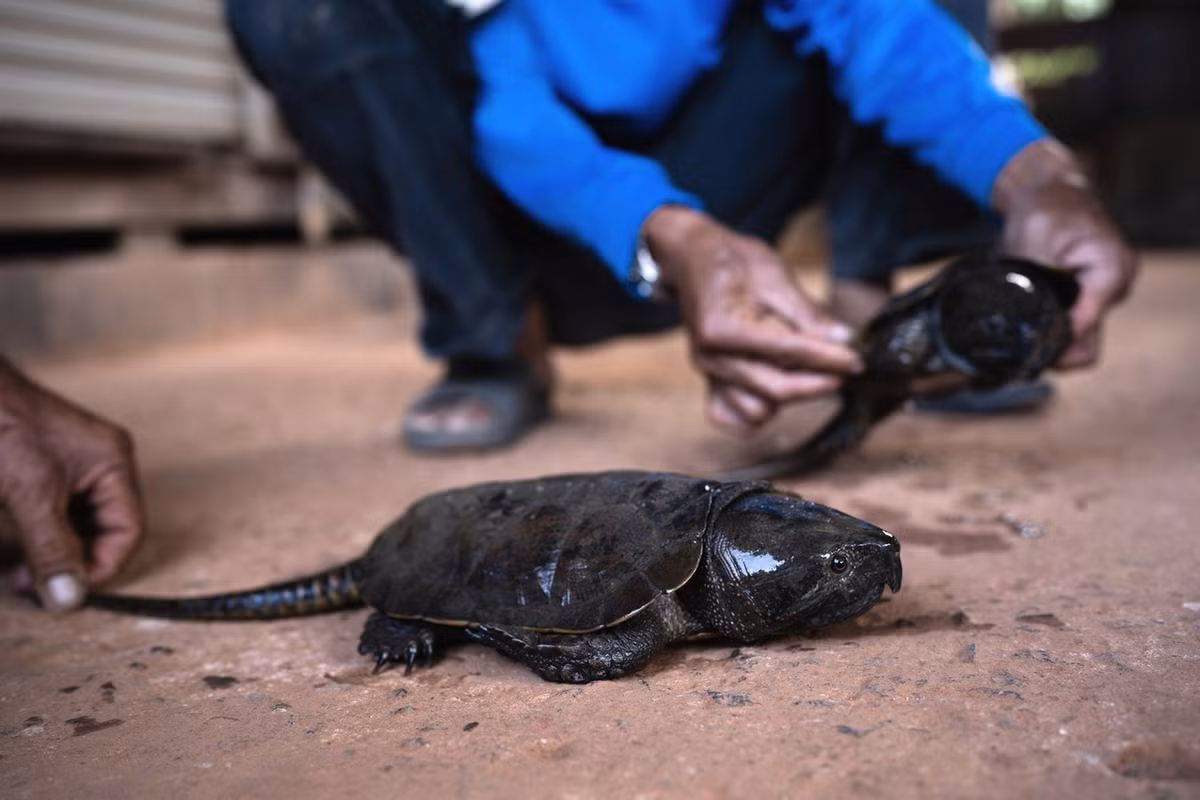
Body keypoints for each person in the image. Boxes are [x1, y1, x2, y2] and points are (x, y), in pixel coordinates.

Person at [0, 0, 1135, 611]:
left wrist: (1041, 176)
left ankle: (879, 332)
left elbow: (880, 28)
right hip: (556, 228)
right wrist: (676, 236)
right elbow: (511, 120)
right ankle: (492, 338)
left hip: (722, 185)